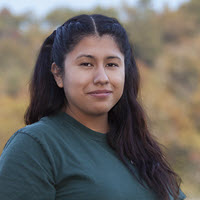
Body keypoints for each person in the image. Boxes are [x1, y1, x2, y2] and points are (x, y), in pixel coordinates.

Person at [0, 14, 186, 200]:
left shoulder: (139, 146)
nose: (102, 78)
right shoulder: (35, 146)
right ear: (58, 74)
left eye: (112, 64)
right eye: (86, 64)